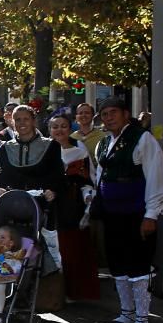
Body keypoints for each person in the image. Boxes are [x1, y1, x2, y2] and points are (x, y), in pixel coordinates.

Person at [91, 96, 163, 323]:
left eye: (113, 112)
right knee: (118, 264)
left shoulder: (142, 138)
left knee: (138, 265)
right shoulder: (104, 143)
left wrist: (150, 215)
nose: (109, 117)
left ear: (126, 114)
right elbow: (100, 177)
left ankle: (143, 322)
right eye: (104, 114)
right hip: (112, 214)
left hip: (136, 213)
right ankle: (126, 314)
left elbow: (158, 178)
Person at [47, 115, 100, 301]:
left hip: (71, 205)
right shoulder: (43, 149)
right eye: (55, 127)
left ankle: (75, 290)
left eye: (63, 126)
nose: (59, 130)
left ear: (70, 129)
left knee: (73, 248)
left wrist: (88, 196)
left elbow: (89, 178)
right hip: (48, 205)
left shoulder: (80, 150)